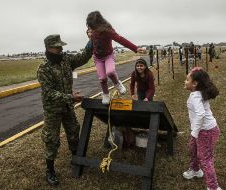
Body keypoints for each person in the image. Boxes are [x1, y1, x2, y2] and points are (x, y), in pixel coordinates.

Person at [37, 34, 93, 186]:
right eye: (57, 47)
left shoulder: (66, 60)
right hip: (53, 109)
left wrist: (92, 40)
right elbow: (48, 93)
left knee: (74, 132)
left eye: (61, 46)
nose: (61, 49)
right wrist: (70, 97)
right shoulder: (44, 68)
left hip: (67, 106)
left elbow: (83, 57)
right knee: (51, 139)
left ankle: (77, 159)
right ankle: (50, 171)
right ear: (49, 48)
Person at [86, 11, 146, 104]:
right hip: (97, 58)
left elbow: (120, 39)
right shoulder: (91, 30)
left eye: (93, 27)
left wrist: (135, 48)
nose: (92, 29)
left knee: (110, 72)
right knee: (102, 78)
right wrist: (89, 35)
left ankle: (117, 84)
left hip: (108, 56)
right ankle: (106, 94)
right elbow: (90, 37)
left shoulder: (108, 30)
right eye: (90, 27)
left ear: (99, 23)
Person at [183, 67, 222, 190]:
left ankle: (213, 187)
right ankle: (195, 170)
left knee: (205, 159)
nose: (185, 81)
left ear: (195, 84)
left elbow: (201, 114)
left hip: (206, 132)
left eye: (187, 79)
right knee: (192, 149)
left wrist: (194, 132)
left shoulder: (195, 96)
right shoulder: (197, 93)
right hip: (201, 131)